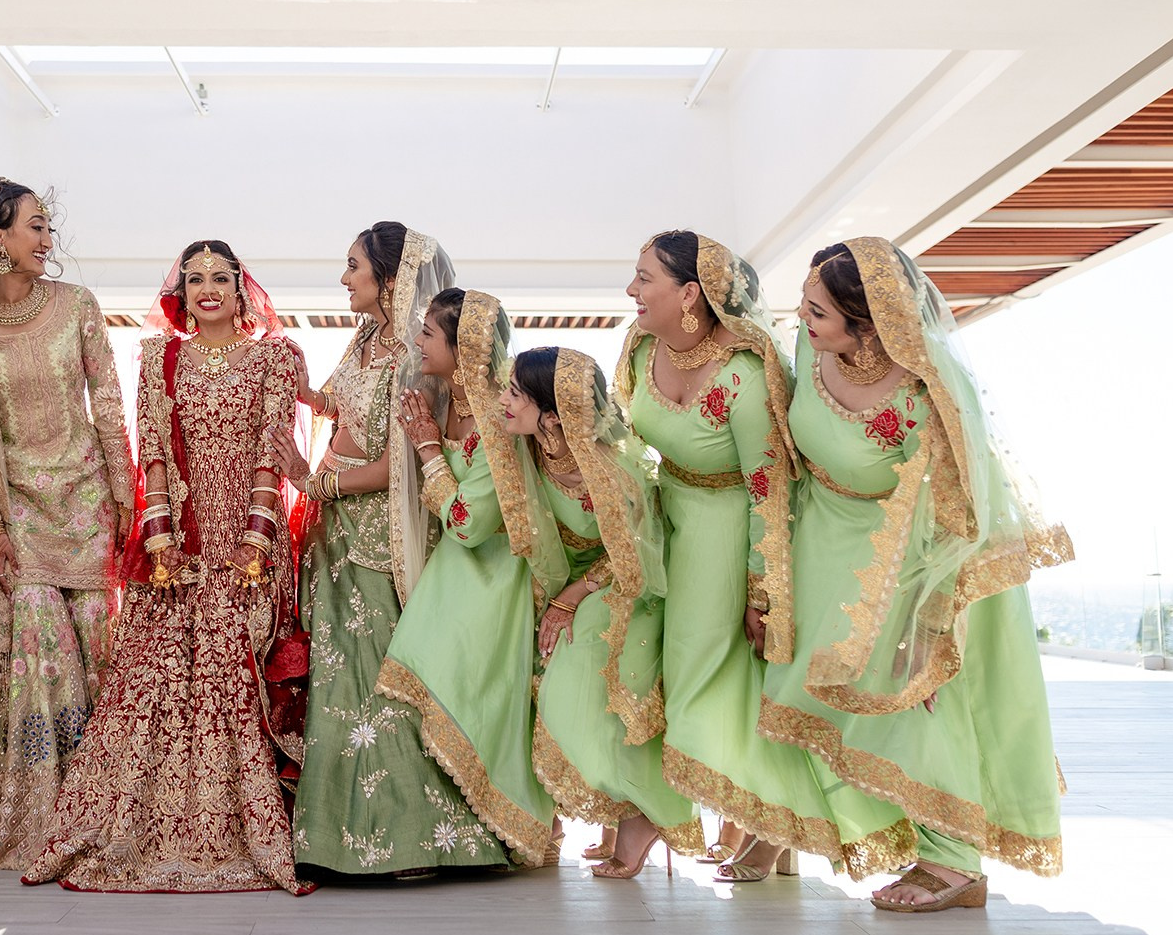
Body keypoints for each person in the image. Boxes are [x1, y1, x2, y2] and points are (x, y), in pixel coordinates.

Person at [758, 238, 1071, 911]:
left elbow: (958, 510)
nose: (804, 322)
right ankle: (888, 833)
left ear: (868, 323)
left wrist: (932, 620)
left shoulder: (930, 387)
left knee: (920, 698)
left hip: (914, 555)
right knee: (812, 692)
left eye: (818, 313)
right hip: (823, 547)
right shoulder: (808, 352)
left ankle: (955, 864)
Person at [24, 240, 310, 894]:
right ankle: (132, 829)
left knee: (228, 672)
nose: (207, 287)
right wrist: (158, 540)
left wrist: (257, 541)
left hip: (246, 549)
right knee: (146, 687)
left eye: (220, 276)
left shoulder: (272, 355)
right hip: (177, 550)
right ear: (181, 289)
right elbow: (150, 449)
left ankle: (243, 832)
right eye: (195, 277)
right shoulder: (159, 355)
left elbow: (273, 449)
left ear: (242, 286)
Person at [619, 230, 902, 881]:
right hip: (665, 526)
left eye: (643, 277)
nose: (630, 291)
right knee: (658, 676)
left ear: (689, 292)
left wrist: (763, 589)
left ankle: (767, 824)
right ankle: (753, 823)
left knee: (704, 687)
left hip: (732, 533)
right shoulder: (639, 347)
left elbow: (770, 491)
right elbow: (624, 437)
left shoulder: (745, 375)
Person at [282, 223, 493, 878]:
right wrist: (286, 381)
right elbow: (338, 409)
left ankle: (413, 837)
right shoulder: (366, 338)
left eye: (353, 267)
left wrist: (313, 480)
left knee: (377, 679)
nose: (344, 279)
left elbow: (395, 462)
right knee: (338, 680)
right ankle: (339, 838)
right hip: (334, 533)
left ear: (391, 278)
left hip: (378, 533)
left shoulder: (413, 352)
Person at [0, 178, 133, 869]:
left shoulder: (77, 305)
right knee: (38, 656)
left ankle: (101, 813)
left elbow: (109, 403)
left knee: (97, 652)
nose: (47, 240)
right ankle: (41, 820)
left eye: (47, 227)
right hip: (18, 510)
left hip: (86, 505)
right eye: (35, 226)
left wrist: (125, 496)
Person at [375, 289, 558, 868]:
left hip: (492, 576)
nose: (418, 342)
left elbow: (469, 522)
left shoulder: (495, 414)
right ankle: (443, 835)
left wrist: (429, 448)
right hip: (452, 573)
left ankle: (501, 831)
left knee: (478, 696)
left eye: (429, 332)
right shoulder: (445, 395)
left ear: (465, 347)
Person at [509, 346, 705, 878]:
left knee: (574, 666)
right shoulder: (528, 451)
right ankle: (607, 815)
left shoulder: (612, 470)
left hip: (624, 587)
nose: (503, 401)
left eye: (514, 393)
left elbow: (633, 564)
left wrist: (571, 598)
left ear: (552, 415)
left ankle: (645, 814)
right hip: (562, 586)